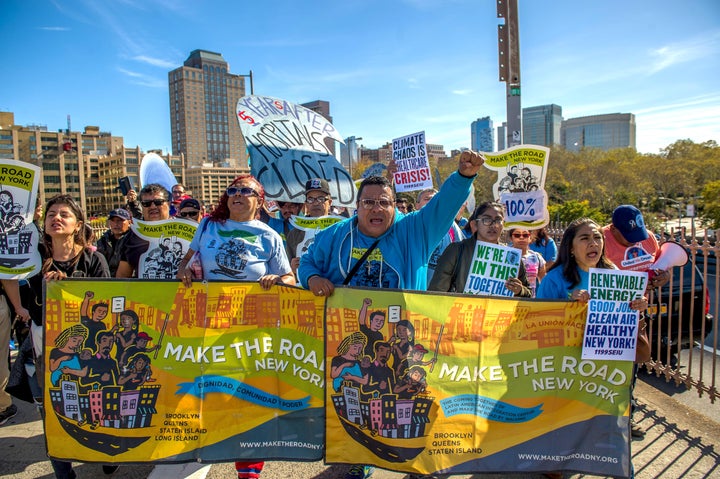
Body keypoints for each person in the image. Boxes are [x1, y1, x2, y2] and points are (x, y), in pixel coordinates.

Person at [298, 150, 485, 479]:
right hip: (355, 338)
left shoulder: (415, 230)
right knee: (360, 399)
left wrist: (464, 177)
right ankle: (358, 459)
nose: (376, 208)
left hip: (400, 339)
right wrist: (312, 278)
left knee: (408, 399)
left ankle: (417, 461)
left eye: (384, 202)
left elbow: (442, 207)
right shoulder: (335, 234)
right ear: (356, 207)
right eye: (368, 202)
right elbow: (308, 263)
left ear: (395, 206)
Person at [176, 174, 295, 479]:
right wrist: (185, 269)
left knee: (247, 393)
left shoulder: (270, 236)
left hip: (251, 326)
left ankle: (249, 468)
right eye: (233, 190)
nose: (238, 195)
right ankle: (203, 451)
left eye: (246, 191)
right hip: (208, 323)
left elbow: (289, 279)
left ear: (260, 201)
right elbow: (185, 262)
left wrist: (275, 280)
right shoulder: (207, 226)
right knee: (207, 391)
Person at [535, 217, 649, 479]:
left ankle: (622, 470)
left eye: (597, 237)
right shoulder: (555, 279)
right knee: (565, 417)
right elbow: (537, 323)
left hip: (608, 366)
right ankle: (556, 463)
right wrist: (568, 304)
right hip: (568, 363)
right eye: (584, 238)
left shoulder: (617, 277)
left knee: (611, 421)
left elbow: (629, 325)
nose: (592, 243)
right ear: (571, 247)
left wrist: (638, 309)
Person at [27, 194, 112, 479]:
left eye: (64, 214)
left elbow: (106, 302)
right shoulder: (32, 258)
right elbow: (24, 301)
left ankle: (106, 454)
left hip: (86, 350)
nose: (56, 218)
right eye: (51, 213)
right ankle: (63, 471)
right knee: (51, 411)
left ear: (78, 224)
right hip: (42, 347)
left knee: (93, 404)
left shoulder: (93, 259)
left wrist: (70, 286)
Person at [428, 201, 532, 297]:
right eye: (486, 220)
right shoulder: (456, 251)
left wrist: (519, 291)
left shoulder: (512, 257)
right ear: (474, 224)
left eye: (498, 220)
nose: (493, 225)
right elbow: (437, 292)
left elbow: (529, 295)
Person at [116, 183, 172, 278]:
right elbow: (122, 276)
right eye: (147, 203)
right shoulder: (133, 236)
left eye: (158, 202)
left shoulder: (185, 231)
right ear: (142, 206)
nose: (153, 207)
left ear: (169, 204)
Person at [415, 188, 465, 284]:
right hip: (414, 288)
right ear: (417, 205)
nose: (432, 202)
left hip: (441, 289)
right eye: (427, 199)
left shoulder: (450, 225)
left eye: (436, 199)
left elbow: (462, 252)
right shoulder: (408, 225)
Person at [286, 178, 334, 276]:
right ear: (306, 203)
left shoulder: (340, 229)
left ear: (329, 202)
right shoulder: (295, 233)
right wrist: (291, 270)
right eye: (310, 199)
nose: (315, 203)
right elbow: (285, 271)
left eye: (321, 198)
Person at [508, 227, 546, 297]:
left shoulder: (537, 258)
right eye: (517, 235)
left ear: (530, 238)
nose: (521, 238)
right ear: (511, 238)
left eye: (525, 235)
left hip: (529, 301)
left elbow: (544, 283)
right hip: (507, 300)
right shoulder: (505, 255)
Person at [96, 208, 132, 276]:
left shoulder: (132, 241)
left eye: (120, 220)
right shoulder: (103, 241)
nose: (116, 224)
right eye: (113, 220)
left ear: (129, 222)